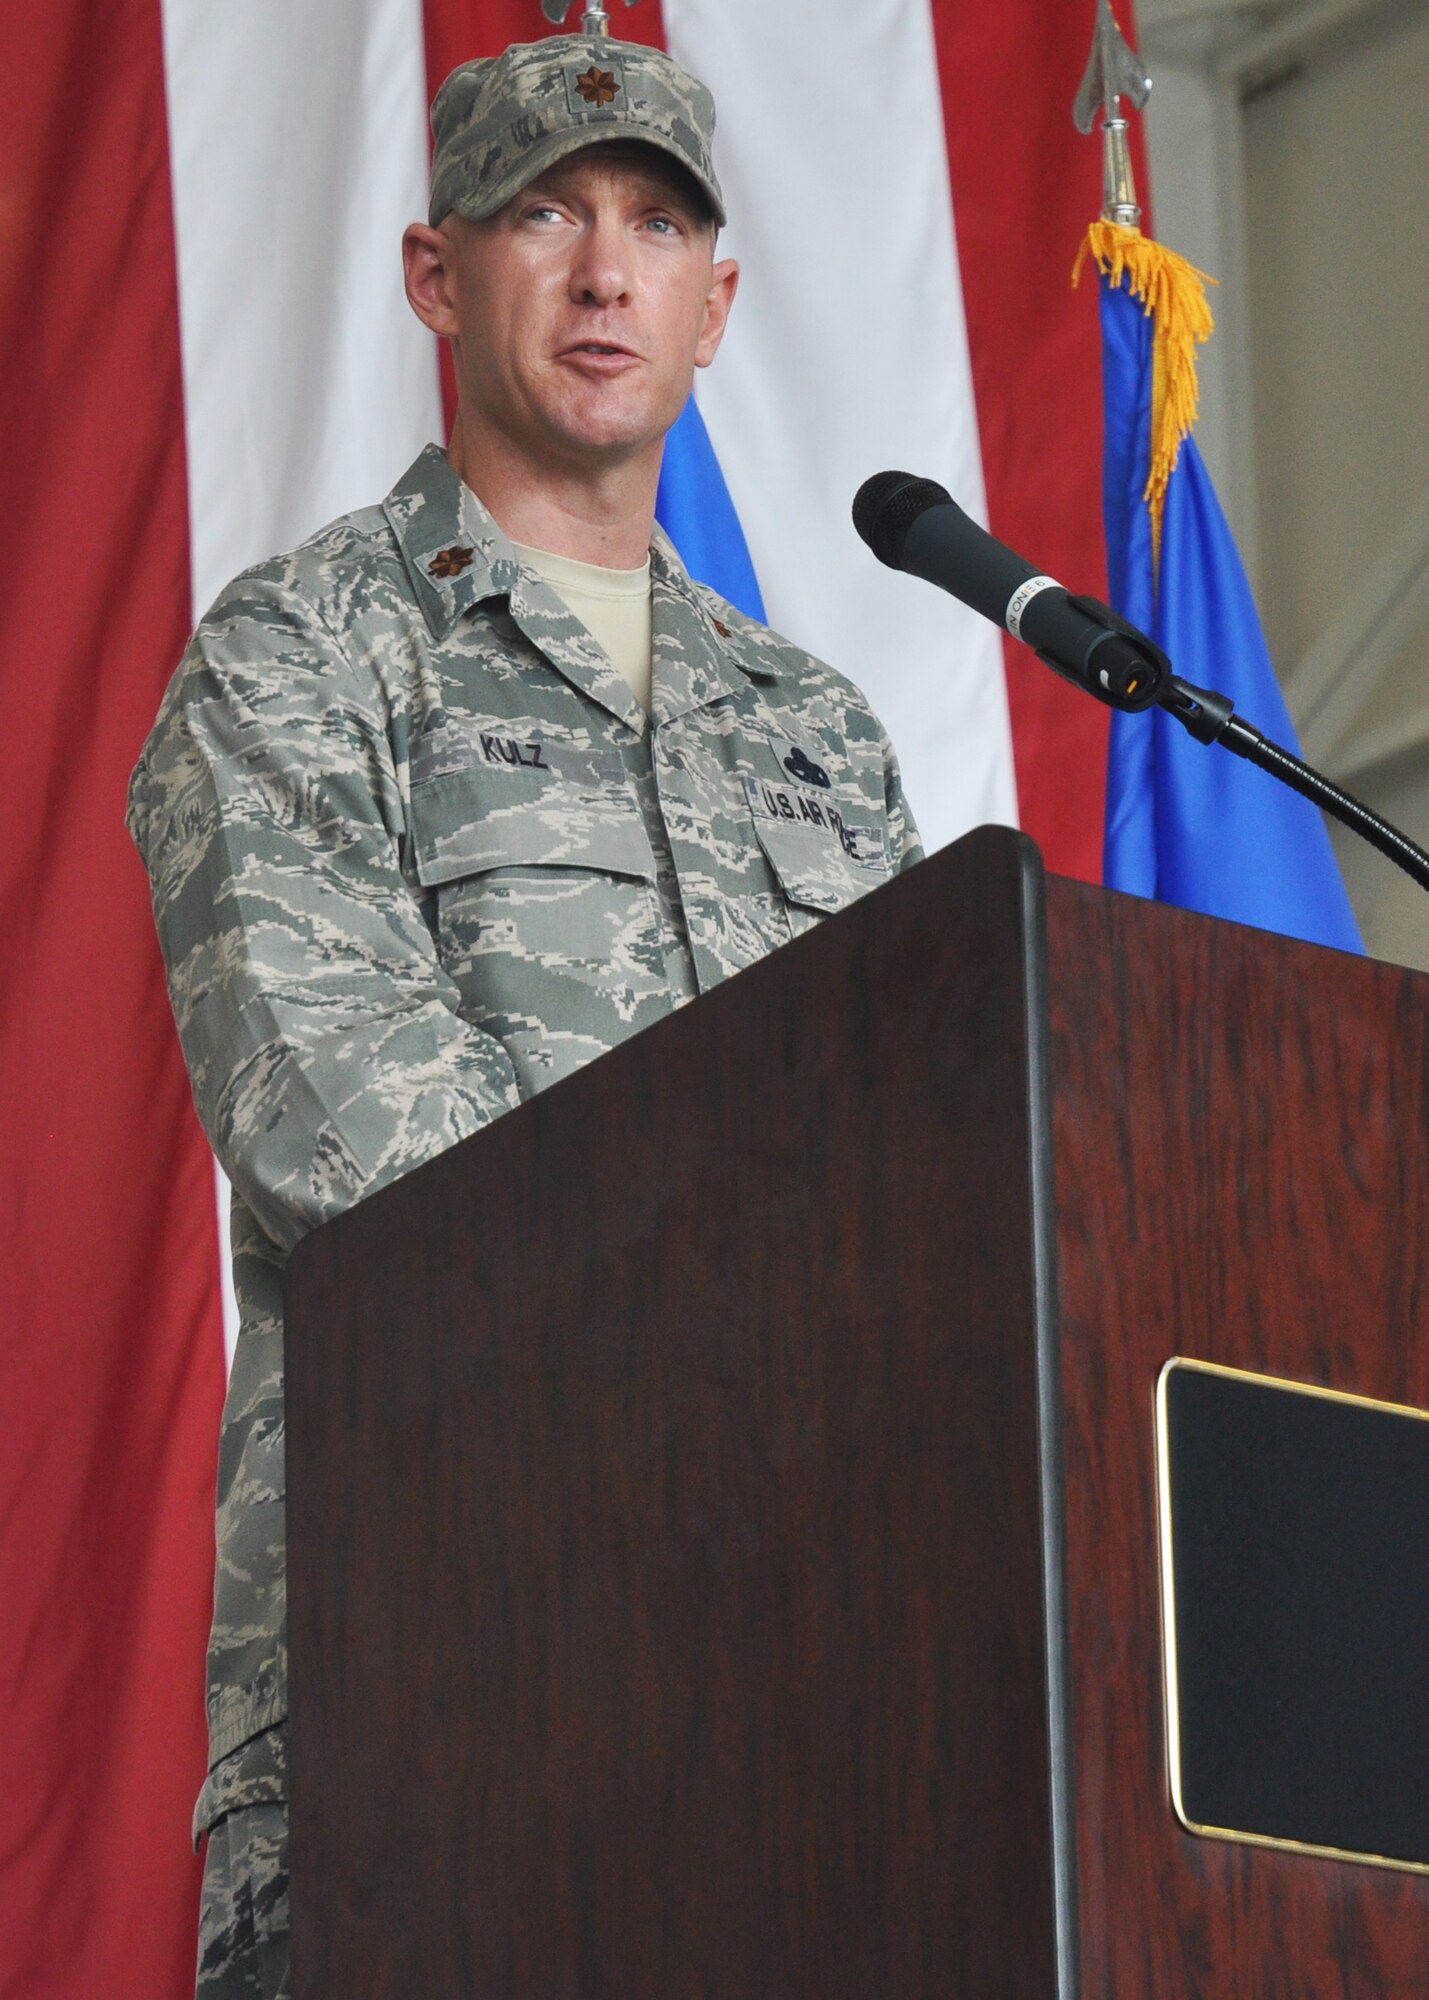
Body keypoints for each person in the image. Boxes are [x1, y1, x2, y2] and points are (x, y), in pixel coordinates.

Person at [129, 31, 921, 1998]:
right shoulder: (298, 660)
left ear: (715, 304)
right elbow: (356, 1130)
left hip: (804, 1705)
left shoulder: (818, 735)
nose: (601, 272)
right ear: (433, 272)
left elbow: (924, 1179)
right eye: (544, 213)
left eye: (655, 225)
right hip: (429, 1657)